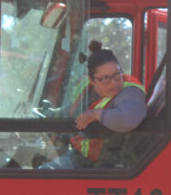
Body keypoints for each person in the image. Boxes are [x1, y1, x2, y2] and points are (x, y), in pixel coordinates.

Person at [42, 41, 146, 169]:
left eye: (117, 74)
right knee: (42, 172)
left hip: (109, 166)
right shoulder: (86, 88)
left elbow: (128, 120)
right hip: (80, 157)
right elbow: (72, 110)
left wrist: (96, 114)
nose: (114, 82)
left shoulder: (130, 92)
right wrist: (49, 115)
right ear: (92, 80)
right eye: (105, 79)